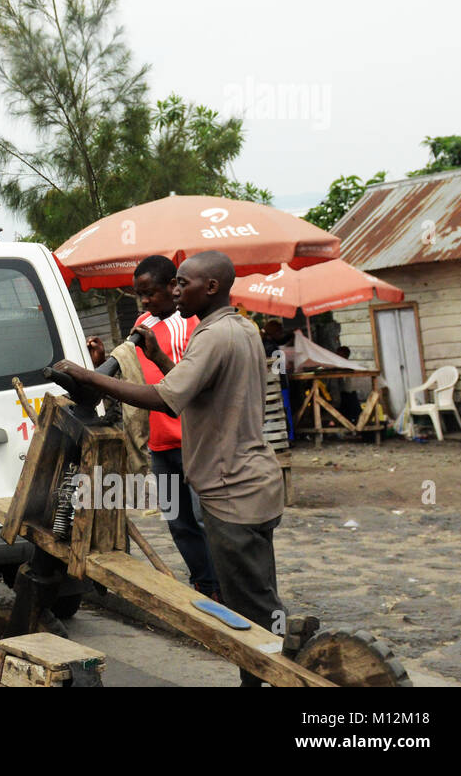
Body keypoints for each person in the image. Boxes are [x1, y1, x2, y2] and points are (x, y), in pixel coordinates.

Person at [54, 251, 286, 686]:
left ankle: (270, 677)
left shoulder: (212, 335)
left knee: (249, 612)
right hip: (256, 483)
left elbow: (163, 398)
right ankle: (273, 669)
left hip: (231, 490)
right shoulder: (241, 328)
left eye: (183, 284)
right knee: (261, 599)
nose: (175, 292)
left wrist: (89, 378)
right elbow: (194, 391)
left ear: (211, 287)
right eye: (174, 284)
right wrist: (159, 357)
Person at [123, 255, 219, 601]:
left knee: (204, 518)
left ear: (172, 287)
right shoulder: (142, 322)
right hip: (160, 443)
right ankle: (205, 586)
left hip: (191, 440)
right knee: (179, 523)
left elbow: (184, 380)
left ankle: (225, 588)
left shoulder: (188, 324)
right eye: (140, 295)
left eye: (150, 293)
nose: (145, 301)